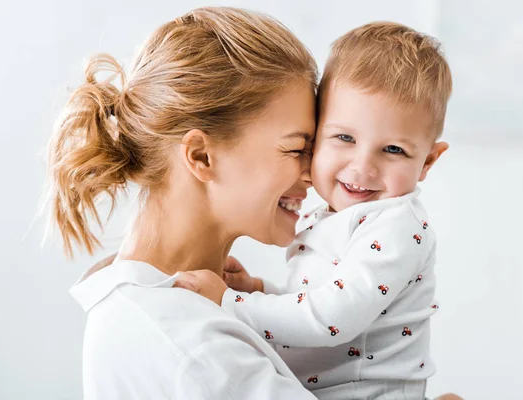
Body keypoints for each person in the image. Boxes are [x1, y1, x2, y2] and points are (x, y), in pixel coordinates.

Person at [46, 6, 320, 399]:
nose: (314, 172)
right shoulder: (191, 345)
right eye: (297, 148)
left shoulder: (147, 307)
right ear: (201, 157)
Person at [177, 21, 453, 399]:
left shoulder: (396, 228)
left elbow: (329, 320)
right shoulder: (330, 216)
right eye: (344, 138)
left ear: (428, 162)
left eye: (393, 150)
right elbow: (316, 299)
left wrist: (231, 302)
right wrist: (259, 289)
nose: (362, 167)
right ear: (316, 134)